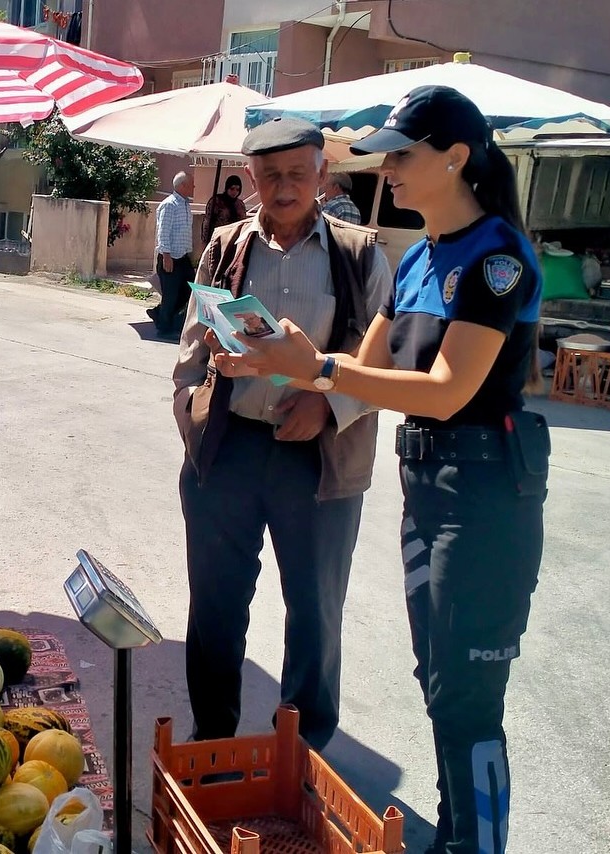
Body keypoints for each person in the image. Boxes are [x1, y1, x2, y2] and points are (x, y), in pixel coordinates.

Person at [214, 86, 550, 854]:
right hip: (425, 488)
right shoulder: (420, 258)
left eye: (403, 153)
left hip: (487, 492)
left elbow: (447, 389)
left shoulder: (495, 259)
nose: (387, 168)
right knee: (438, 687)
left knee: (468, 699)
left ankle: (475, 846)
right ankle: (451, 841)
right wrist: (277, 359)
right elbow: (361, 371)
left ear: (456, 157)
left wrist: (321, 368)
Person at [171, 116, 391, 752]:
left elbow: (381, 357)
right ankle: (211, 736)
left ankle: (302, 747)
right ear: (251, 180)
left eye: (299, 173)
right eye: (271, 176)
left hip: (319, 457)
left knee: (316, 610)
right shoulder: (225, 245)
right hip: (230, 446)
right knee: (214, 605)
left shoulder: (359, 253)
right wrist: (191, 404)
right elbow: (194, 336)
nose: (285, 186)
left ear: (323, 175)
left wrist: (327, 406)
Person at [150, 171, 196, 338]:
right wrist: (166, 256)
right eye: (191, 184)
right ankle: (164, 328)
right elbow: (163, 232)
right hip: (170, 257)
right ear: (182, 186)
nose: (194, 187)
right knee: (171, 295)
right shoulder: (169, 205)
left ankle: (160, 313)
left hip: (183, 256)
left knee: (190, 288)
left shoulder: (184, 204)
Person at [202, 175, 248, 244]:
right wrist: (205, 241)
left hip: (235, 241)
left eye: (237, 189)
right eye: (232, 189)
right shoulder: (216, 201)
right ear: (227, 188)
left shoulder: (240, 204)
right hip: (218, 240)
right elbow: (207, 222)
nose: (235, 192)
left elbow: (244, 223)